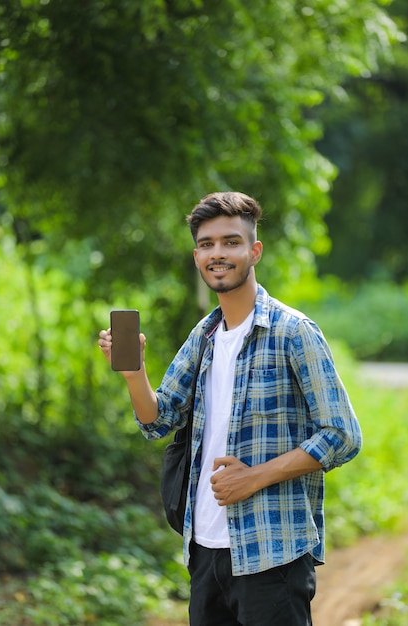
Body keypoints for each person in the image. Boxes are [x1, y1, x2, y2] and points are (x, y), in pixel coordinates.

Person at [98, 191, 362, 626]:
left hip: (271, 553)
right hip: (203, 550)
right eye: (206, 244)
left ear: (253, 250)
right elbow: (157, 419)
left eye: (230, 242)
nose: (217, 253)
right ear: (197, 256)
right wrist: (134, 373)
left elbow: (342, 434)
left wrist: (253, 478)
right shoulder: (203, 335)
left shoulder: (293, 332)